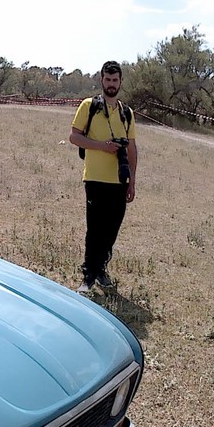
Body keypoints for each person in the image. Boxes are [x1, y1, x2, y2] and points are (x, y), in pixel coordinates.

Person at [69, 60, 138, 293]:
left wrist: (132, 181)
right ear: (101, 80)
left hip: (120, 181)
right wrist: (102, 146)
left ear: (120, 82)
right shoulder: (89, 106)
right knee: (95, 229)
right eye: (107, 79)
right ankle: (88, 275)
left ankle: (101, 269)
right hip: (95, 179)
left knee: (112, 229)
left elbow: (132, 148)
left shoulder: (127, 113)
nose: (111, 84)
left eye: (115, 80)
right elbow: (74, 137)